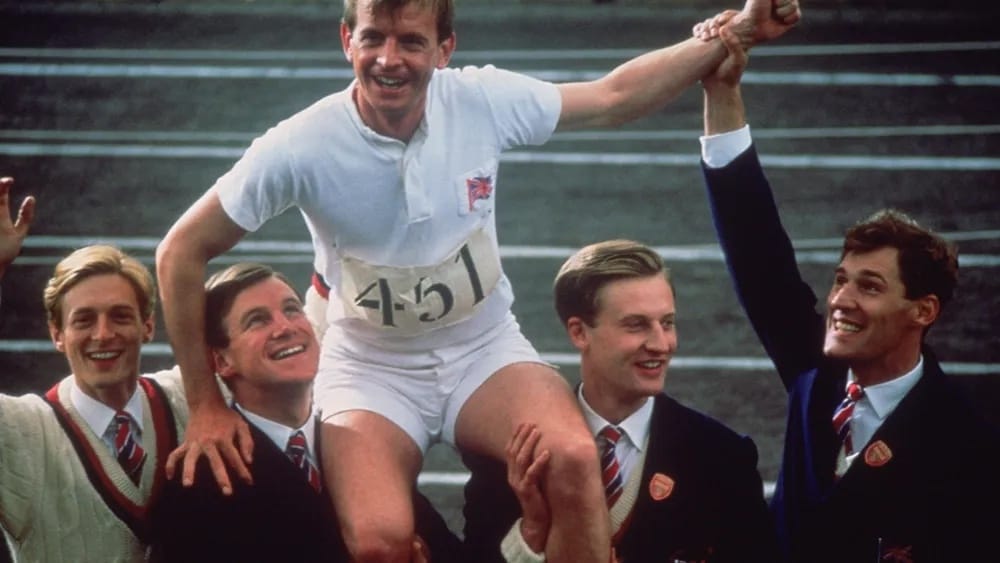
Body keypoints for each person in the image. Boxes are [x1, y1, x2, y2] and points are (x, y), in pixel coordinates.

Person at [154, 1, 800, 561]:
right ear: (345, 39)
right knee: (379, 540)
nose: (389, 59)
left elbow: (611, 96)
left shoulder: (480, 100)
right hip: (371, 368)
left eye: (411, 41)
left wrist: (732, 33)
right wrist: (207, 403)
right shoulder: (300, 144)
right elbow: (181, 249)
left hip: (482, 351)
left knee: (574, 463)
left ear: (444, 49)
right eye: (373, 37)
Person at [696, 19, 1000, 562]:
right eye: (840, 280)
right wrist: (723, 91)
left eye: (870, 286)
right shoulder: (818, 371)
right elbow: (755, 249)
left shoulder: (965, 442)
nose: (840, 300)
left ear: (922, 310)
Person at [462, 239, 778, 563]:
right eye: (636, 325)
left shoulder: (723, 458)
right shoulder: (516, 449)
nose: (661, 344)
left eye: (667, 323)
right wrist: (530, 534)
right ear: (579, 332)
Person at [150, 262, 462, 563]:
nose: (285, 327)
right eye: (257, 320)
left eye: (292, 309)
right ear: (221, 361)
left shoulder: (366, 442)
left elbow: (446, 550)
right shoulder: (202, 480)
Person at [0, 177, 190, 562]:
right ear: (57, 334)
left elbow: (309, 336)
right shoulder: (21, 430)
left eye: (120, 316)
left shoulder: (191, 397)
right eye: (84, 320)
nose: (103, 335)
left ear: (148, 326)